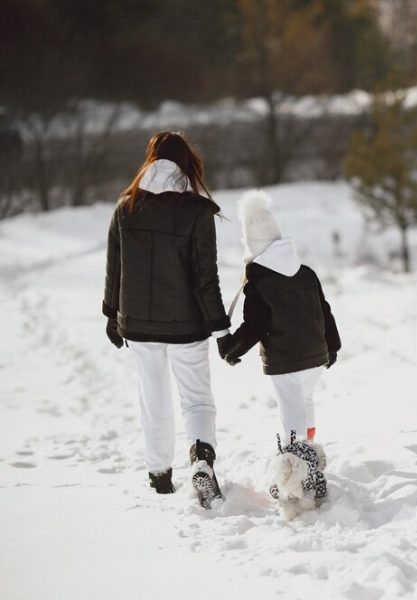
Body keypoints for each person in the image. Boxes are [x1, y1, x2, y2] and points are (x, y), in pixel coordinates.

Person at [103, 131, 230, 509]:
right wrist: (221, 329)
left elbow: (115, 267)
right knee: (197, 401)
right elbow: (207, 278)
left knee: (153, 400)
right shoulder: (196, 210)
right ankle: (202, 460)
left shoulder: (126, 206)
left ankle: (160, 476)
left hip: (138, 326)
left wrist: (112, 314)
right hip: (187, 326)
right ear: (186, 164)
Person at [218, 189, 340, 513]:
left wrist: (231, 347)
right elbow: (324, 311)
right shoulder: (306, 272)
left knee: (291, 417)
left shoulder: (259, 284)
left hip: (286, 361)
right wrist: (333, 344)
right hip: (316, 355)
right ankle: (311, 461)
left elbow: (255, 325)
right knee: (306, 404)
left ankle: (296, 479)